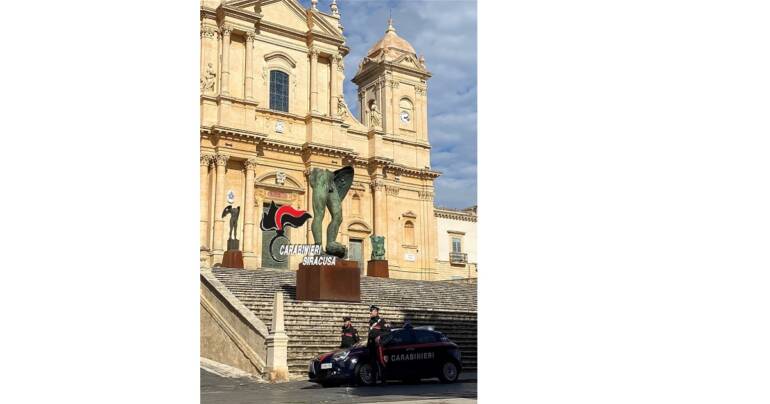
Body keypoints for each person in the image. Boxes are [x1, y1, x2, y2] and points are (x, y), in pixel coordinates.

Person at [367, 305, 390, 383]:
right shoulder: (371, 321)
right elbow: (370, 334)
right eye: (370, 311)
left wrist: (380, 336)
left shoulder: (381, 321)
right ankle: (373, 381)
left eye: (372, 311)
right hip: (371, 346)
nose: (370, 312)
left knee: (381, 362)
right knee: (372, 363)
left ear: (376, 312)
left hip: (378, 346)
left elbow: (388, 332)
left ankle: (384, 380)